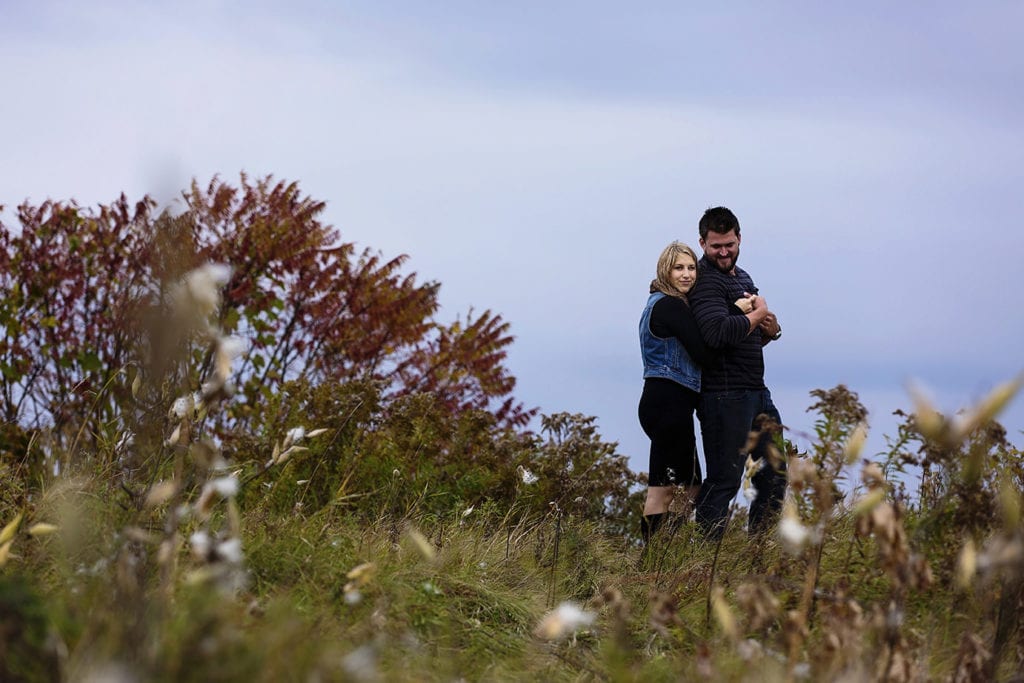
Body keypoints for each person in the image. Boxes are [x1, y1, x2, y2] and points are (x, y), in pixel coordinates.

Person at [688, 206, 787, 539]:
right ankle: (702, 558)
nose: (724, 252)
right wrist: (759, 316)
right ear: (702, 243)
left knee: (774, 473)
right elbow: (716, 334)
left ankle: (759, 549)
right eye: (716, 246)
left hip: (757, 391)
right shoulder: (703, 283)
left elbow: (745, 335)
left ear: (739, 238)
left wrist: (770, 331)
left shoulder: (743, 277)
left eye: (729, 244)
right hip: (723, 395)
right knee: (725, 479)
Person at [637, 241, 712, 543]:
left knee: (687, 484)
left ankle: (665, 547)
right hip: (668, 403)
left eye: (691, 267)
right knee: (668, 488)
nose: (686, 274)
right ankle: (654, 554)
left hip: (666, 403)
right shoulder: (669, 305)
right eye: (678, 268)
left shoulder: (658, 303)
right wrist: (735, 314)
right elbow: (704, 352)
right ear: (665, 271)